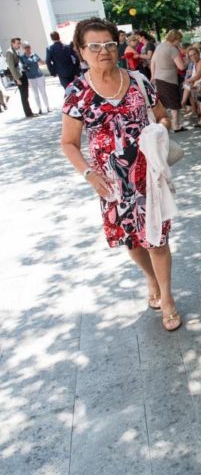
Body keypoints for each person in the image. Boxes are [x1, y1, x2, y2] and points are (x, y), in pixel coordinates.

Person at [59, 17, 181, 332]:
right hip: (112, 184)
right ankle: (151, 278)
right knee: (132, 242)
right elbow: (69, 143)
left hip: (148, 179)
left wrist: (159, 133)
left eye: (110, 44)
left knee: (157, 239)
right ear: (80, 50)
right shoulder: (78, 93)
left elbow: (162, 117)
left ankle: (167, 298)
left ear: (118, 46)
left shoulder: (139, 80)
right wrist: (88, 174)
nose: (104, 51)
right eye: (95, 46)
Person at [150, 30, 187, 132]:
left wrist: (153, 75)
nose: (179, 42)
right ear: (175, 39)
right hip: (169, 79)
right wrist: (186, 61)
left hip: (159, 77)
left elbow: (152, 61)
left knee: (164, 103)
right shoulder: (172, 49)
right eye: (179, 40)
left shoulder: (159, 46)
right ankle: (176, 125)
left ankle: (164, 124)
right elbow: (181, 67)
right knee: (174, 103)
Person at [5, 38, 35, 118]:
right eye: (18, 43)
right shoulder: (9, 52)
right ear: (13, 43)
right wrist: (17, 79)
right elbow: (11, 67)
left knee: (26, 94)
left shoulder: (15, 51)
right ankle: (28, 113)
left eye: (19, 43)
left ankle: (29, 112)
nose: (19, 45)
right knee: (24, 95)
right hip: (18, 76)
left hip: (22, 74)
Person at [20, 41, 50, 114]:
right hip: (31, 77)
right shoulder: (22, 57)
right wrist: (25, 67)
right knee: (36, 94)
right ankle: (39, 109)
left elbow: (42, 62)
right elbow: (22, 67)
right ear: (23, 49)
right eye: (26, 47)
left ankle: (48, 107)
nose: (28, 49)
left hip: (39, 75)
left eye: (28, 47)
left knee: (43, 92)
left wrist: (46, 60)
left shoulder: (34, 55)